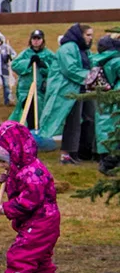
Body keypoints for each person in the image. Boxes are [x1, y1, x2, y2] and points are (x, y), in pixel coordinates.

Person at [0, 119, 59, 273]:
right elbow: (20, 185)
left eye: (3, 161)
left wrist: (3, 209)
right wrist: (9, 179)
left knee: (21, 254)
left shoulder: (32, 174)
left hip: (43, 222)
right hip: (39, 220)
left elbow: (29, 201)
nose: (1, 165)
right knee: (41, 259)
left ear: (16, 153)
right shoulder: (21, 169)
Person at [38, 24, 97, 164]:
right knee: (73, 122)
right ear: (80, 34)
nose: (90, 38)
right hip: (68, 90)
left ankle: (81, 151)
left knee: (89, 119)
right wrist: (90, 76)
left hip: (83, 89)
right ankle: (67, 153)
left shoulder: (83, 50)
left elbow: (92, 63)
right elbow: (70, 69)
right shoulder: (67, 48)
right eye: (88, 35)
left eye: (91, 35)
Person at [11, 29, 54, 129]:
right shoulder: (25, 54)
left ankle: (38, 133)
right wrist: (28, 62)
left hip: (41, 91)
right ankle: (28, 133)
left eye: (38, 38)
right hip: (26, 90)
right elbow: (15, 65)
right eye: (34, 38)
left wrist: (43, 65)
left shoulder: (48, 54)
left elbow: (55, 69)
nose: (36, 41)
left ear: (42, 40)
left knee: (40, 113)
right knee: (27, 113)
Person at [95, 34, 120, 175]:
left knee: (104, 127)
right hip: (116, 95)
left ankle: (105, 158)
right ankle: (110, 163)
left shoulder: (99, 60)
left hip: (103, 97)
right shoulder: (117, 61)